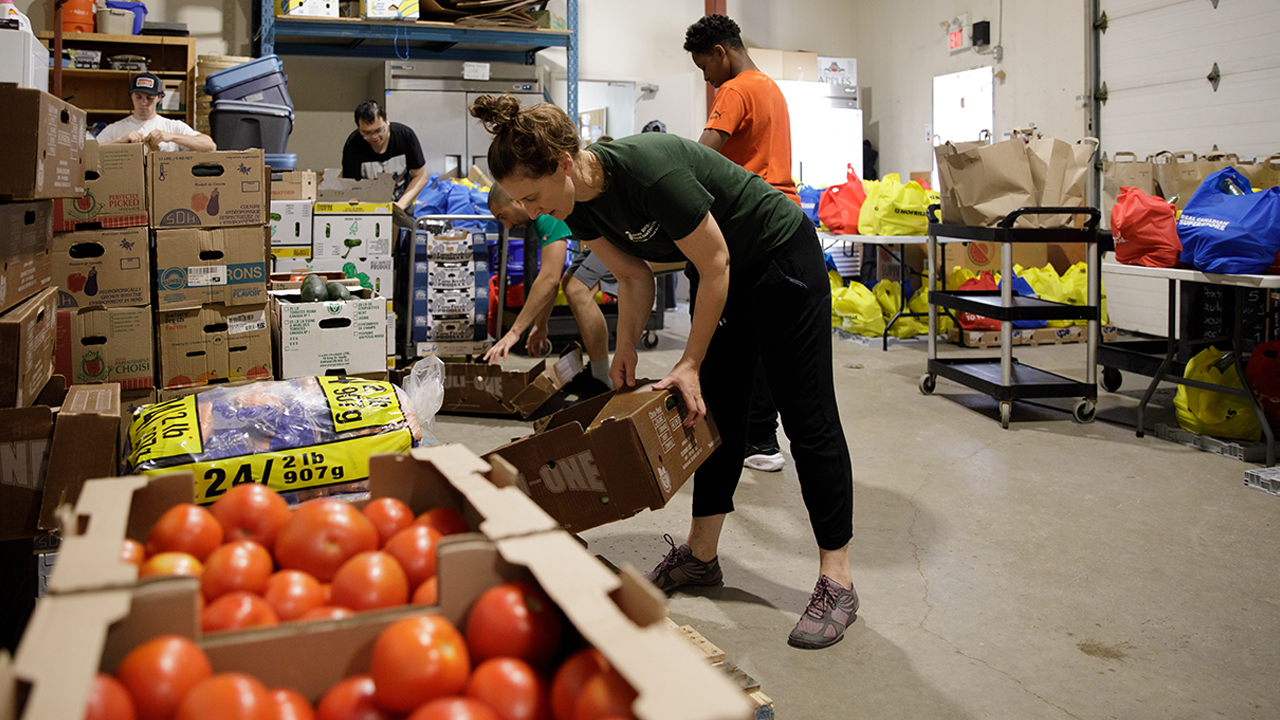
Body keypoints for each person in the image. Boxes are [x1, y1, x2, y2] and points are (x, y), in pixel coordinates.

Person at [470, 95, 858, 650]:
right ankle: (701, 556)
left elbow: (717, 261)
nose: (531, 213)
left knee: (807, 417)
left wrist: (689, 361)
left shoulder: (650, 171)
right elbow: (633, 277)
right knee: (712, 415)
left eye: (532, 197)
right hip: (720, 270)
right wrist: (625, 346)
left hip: (777, 258)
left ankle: (837, 580)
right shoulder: (575, 206)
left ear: (563, 163)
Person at [686, 14, 797, 473]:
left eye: (704, 67)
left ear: (721, 52)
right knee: (766, 335)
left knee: (728, 337)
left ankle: (731, 436)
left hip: (747, 221)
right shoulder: (771, 88)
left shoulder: (734, 90)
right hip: (784, 222)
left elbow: (699, 156)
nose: (707, 79)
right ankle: (762, 438)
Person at [483, 183, 614, 391]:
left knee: (577, 290)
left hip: (617, 235)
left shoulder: (545, 213)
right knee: (570, 284)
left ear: (517, 201)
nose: (507, 225)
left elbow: (549, 278)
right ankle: (599, 373)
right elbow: (551, 279)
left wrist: (515, 332)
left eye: (503, 216)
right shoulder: (537, 218)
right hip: (603, 236)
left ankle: (602, 379)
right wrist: (541, 324)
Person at [341, 100, 428, 212]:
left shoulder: (405, 136)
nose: (374, 137)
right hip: (368, 207)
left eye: (379, 130)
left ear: (386, 120)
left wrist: (400, 205)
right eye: (366, 133)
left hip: (401, 203)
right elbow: (351, 187)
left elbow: (420, 176)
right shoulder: (353, 145)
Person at [97, 73, 216, 152]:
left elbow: (210, 146)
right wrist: (118, 141)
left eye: (149, 98)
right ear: (131, 96)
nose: (143, 102)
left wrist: (172, 137)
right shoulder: (115, 129)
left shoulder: (173, 126)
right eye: (138, 97)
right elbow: (89, 154)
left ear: (159, 97)